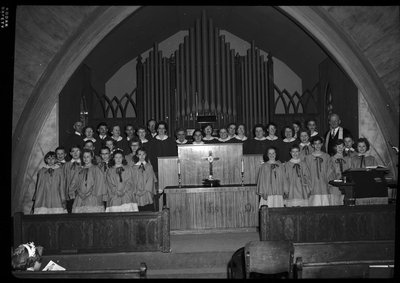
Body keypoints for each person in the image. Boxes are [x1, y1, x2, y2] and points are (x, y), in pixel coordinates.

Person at [68, 149, 107, 213]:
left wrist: (88, 193)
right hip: (80, 197)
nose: (86, 159)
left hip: (93, 197)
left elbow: (99, 183)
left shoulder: (96, 169)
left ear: (91, 157)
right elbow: (74, 182)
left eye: (88, 157)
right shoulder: (79, 169)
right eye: (84, 157)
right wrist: (79, 192)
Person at [304, 136, 336, 206]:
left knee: (325, 203)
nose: (317, 145)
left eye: (319, 143)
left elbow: (330, 169)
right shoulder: (308, 157)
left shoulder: (326, 156)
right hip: (313, 184)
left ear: (322, 144)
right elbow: (306, 171)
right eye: (315, 144)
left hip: (324, 183)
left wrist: (329, 181)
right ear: (312, 145)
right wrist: (308, 184)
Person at [132, 147, 158, 211]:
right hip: (137, 192)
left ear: (146, 155)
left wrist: (145, 190)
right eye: (140, 154)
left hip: (147, 191)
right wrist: (136, 191)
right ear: (137, 155)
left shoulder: (149, 166)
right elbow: (132, 180)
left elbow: (151, 179)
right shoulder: (133, 168)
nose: (142, 156)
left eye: (143, 154)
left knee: (148, 208)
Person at [330, 139, 351, 205]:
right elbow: (330, 172)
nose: (340, 148)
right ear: (335, 147)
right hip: (335, 185)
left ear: (344, 147)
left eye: (342, 146)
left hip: (345, 185)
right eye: (338, 146)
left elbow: (350, 171)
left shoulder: (348, 159)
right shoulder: (331, 159)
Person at [63, 144, 82, 213]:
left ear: (81, 152)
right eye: (73, 151)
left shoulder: (83, 164)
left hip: (81, 193)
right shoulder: (66, 165)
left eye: (77, 151)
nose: (75, 153)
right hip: (69, 193)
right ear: (70, 153)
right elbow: (64, 179)